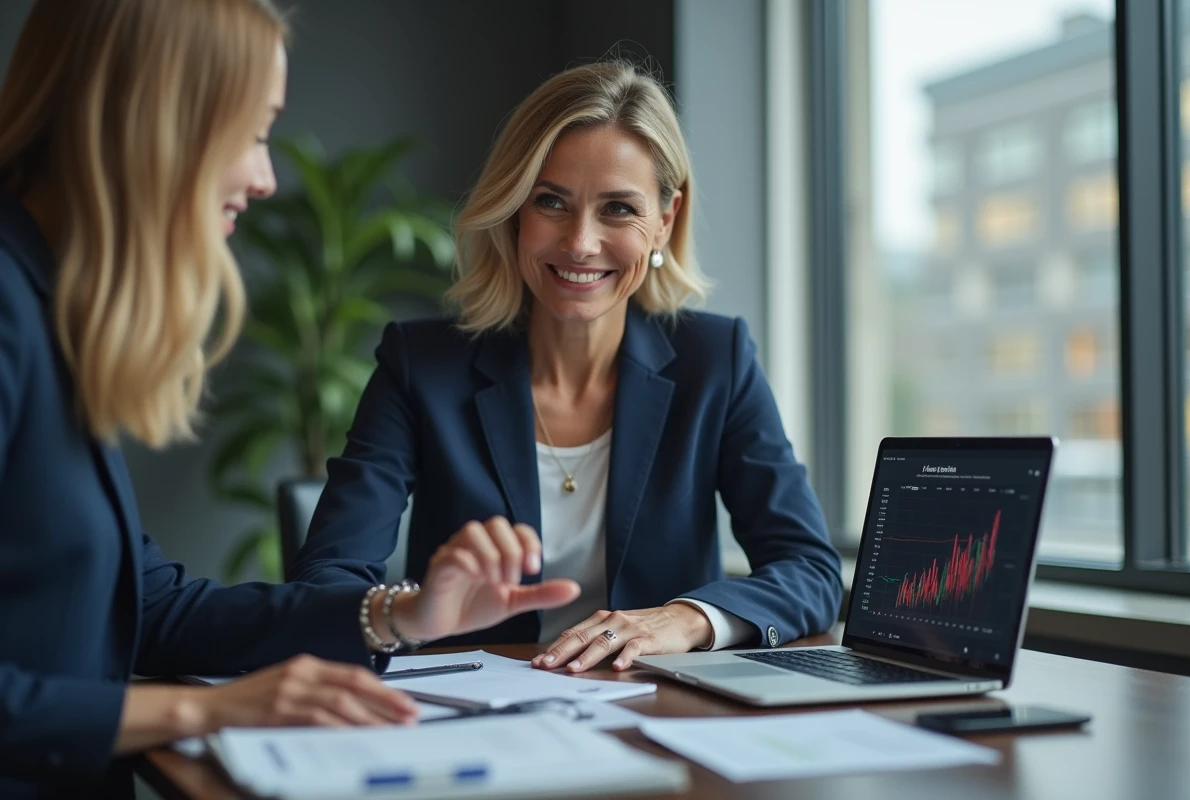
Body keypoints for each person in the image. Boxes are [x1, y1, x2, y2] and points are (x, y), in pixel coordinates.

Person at [0, 1, 579, 796]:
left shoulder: (46, 309)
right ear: (157, 123)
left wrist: (398, 616)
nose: (265, 177)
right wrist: (199, 711)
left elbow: (148, 609)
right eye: (253, 131)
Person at [292, 60, 843, 673]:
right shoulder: (422, 365)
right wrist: (408, 610)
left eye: (617, 209)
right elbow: (327, 578)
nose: (581, 242)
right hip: (472, 709)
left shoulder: (716, 362)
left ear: (664, 220)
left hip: (662, 712)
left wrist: (686, 618)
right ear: (514, 211)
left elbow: (810, 571)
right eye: (551, 201)